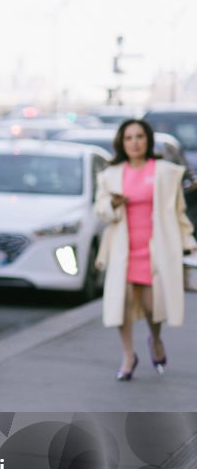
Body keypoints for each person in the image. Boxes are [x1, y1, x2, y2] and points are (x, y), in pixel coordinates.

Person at [95, 118, 197, 380]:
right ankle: (129, 355)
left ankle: (155, 338)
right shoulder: (111, 175)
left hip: (156, 249)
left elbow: (178, 213)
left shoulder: (164, 172)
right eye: (128, 138)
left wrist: (189, 242)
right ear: (121, 142)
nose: (134, 143)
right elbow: (101, 211)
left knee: (154, 306)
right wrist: (114, 205)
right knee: (122, 303)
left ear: (148, 140)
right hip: (123, 250)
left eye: (139, 137)